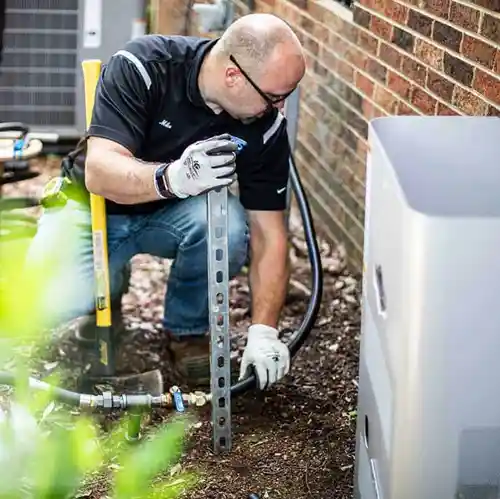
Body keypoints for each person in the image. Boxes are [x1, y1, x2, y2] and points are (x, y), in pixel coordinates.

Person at [25, 13, 307, 390]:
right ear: (234, 76)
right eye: (274, 97)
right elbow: (100, 171)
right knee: (46, 303)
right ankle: (106, 287)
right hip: (92, 205)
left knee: (228, 224)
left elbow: (269, 233)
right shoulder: (144, 67)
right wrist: (175, 177)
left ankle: (188, 332)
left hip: (172, 216)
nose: (280, 109)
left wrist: (264, 332)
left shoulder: (266, 126)